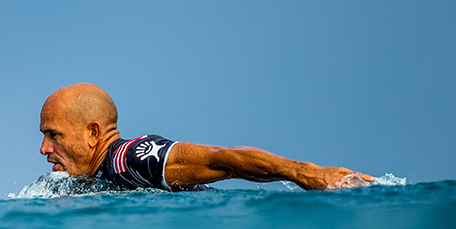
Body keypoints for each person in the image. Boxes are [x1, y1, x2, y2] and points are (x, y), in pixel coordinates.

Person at [39, 83, 374, 191]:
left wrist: (304, 172)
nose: (44, 149)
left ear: (93, 133)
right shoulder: (100, 174)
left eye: (54, 135)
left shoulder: (130, 159)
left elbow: (219, 158)